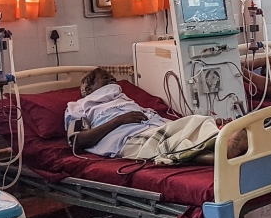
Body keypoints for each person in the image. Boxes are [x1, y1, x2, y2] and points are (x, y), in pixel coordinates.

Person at [65, 68, 245, 164]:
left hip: (154, 128)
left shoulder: (125, 100)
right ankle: (224, 146)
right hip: (126, 138)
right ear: (88, 89)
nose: (113, 81)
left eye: (114, 79)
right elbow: (77, 141)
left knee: (196, 122)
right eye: (106, 78)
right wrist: (119, 120)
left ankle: (223, 142)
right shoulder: (79, 107)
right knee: (176, 139)